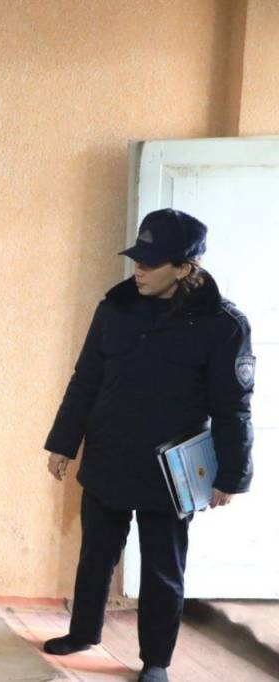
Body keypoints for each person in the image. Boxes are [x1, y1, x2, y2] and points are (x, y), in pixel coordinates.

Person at [42, 209, 254, 682]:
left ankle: (156, 660)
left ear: (184, 268)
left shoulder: (222, 325)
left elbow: (233, 407)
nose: (138, 269)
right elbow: (86, 380)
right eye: (137, 258)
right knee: (96, 554)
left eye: (151, 263)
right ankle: (83, 632)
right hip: (109, 454)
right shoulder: (115, 308)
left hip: (170, 470)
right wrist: (63, 443)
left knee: (162, 569)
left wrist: (231, 475)